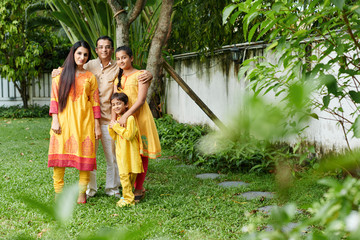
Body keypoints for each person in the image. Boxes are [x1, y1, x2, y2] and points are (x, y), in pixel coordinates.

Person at [52, 36, 153, 198]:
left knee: (112, 158)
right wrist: (57, 71)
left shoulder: (118, 66)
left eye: (107, 47)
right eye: (100, 47)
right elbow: (71, 68)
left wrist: (148, 73)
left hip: (109, 119)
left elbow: (131, 72)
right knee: (88, 157)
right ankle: (89, 190)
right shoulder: (88, 64)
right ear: (96, 50)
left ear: (112, 49)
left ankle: (112, 188)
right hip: (86, 121)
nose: (104, 50)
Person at [48, 40, 101, 204]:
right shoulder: (60, 74)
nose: (82, 57)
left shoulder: (90, 77)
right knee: (59, 160)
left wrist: (97, 126)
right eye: (79, 53)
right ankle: (59, 193)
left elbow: (95, 102)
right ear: (73, 54)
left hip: (85, 123)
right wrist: (55, 120)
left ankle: (81, 194)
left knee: (85, 160)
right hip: (63, 122)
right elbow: (54, 99)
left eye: (85, 54)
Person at [113, 46, 161, 202]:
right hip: (124, 122)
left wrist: (126, 115)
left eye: (124, 57)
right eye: (118, 58)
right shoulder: (117, 79)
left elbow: (141, 100)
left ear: (131, 58)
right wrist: (115, 120)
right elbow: (114, 101)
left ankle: (139, 188)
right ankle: (129, 186)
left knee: (142, 153)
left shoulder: (141, 75)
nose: (121, 61)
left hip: (140, 118)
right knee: (128, 152)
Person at [108, 92, 144, 207]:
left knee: (131, 176)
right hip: (121, 153)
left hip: (131, 154)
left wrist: (116, 127)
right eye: (113, 105)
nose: (116, 107)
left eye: (119, 104)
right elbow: (115, 136)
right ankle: (128, 199)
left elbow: (129, 135)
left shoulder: (130, 119)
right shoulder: (117, 120)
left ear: (126, 105)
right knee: (123, 176)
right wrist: (111, 127)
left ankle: (128, 196)